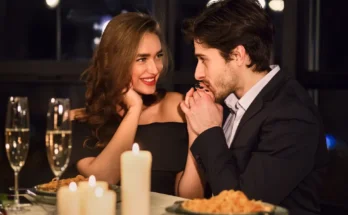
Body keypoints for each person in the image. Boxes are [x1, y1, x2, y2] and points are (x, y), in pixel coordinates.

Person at [180, 0, 329, 214]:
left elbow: (242, 208)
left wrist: (209, 130)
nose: (197, 74)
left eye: (204, 60)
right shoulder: (229, 102)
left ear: (238, 55)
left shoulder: (291, 115)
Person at [69, 12, 204, 198]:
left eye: (158, 56)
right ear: (114, 62)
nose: (155, 68)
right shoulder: (84, 120)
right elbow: (104, 180)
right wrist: (134, 110)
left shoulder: (177, 108)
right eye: (142, 59)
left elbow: (191, 198)